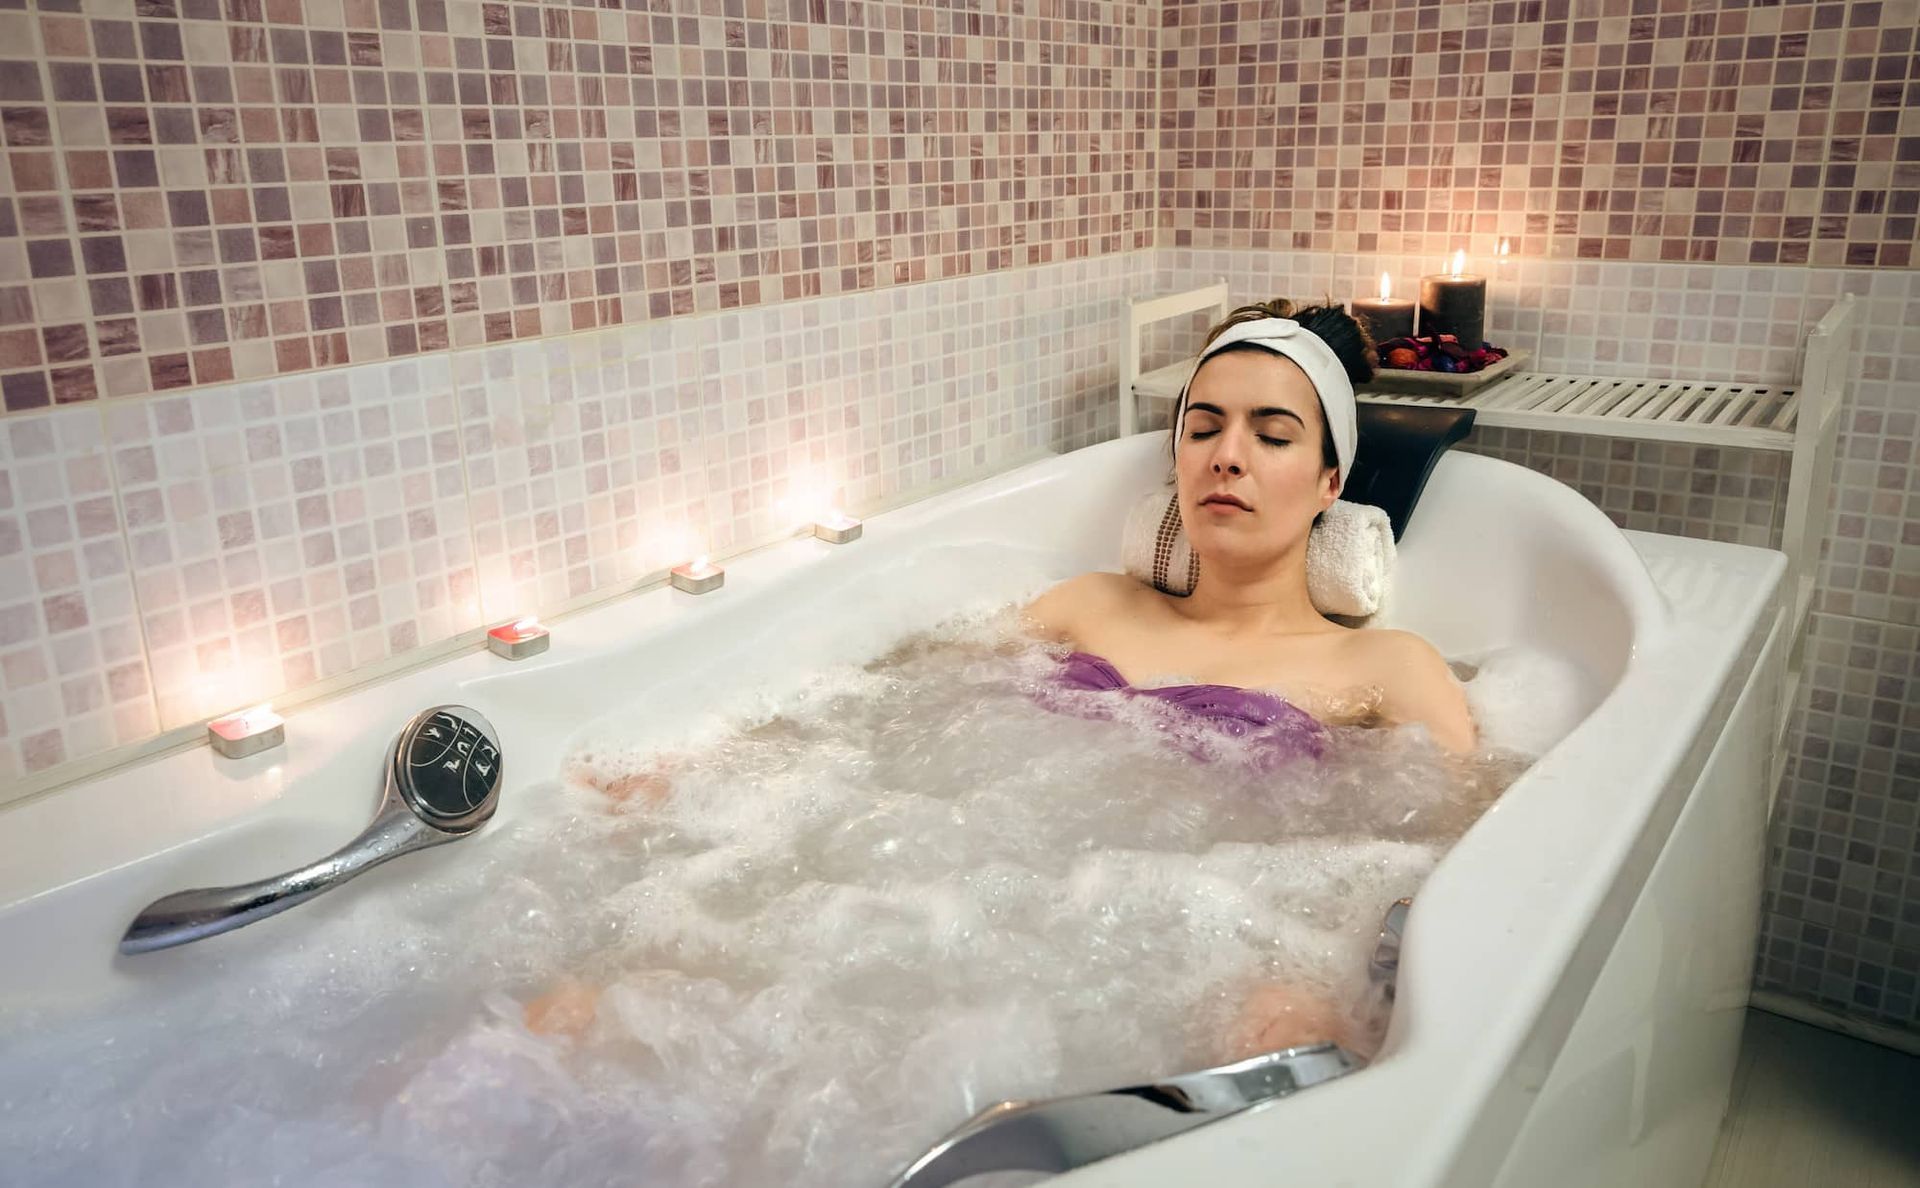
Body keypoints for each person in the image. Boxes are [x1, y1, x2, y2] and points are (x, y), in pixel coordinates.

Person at [1022, 299, 1476, 756]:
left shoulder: (1387, 669)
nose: (1227, 456)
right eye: (1202, 431)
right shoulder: (1086, 605)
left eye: (1273, 436)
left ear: (1330, 481)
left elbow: (1459, 811)